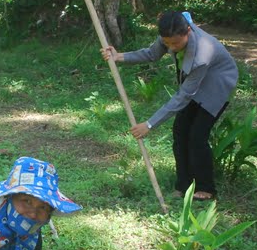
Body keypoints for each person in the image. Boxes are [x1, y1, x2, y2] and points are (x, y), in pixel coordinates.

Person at [102, 11, 239, 201]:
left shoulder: (202, 55)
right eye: (167, 43)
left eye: (176, 43)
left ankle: (206, 187)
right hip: (194, 83)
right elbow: (151, 54)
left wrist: (149, 124)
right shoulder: (168, 36)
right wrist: (119, 57)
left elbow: (183, 96)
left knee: (197, 136)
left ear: (188, 32)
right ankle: (183, 185)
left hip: (217, 86)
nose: (172, 48)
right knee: (180, 130)